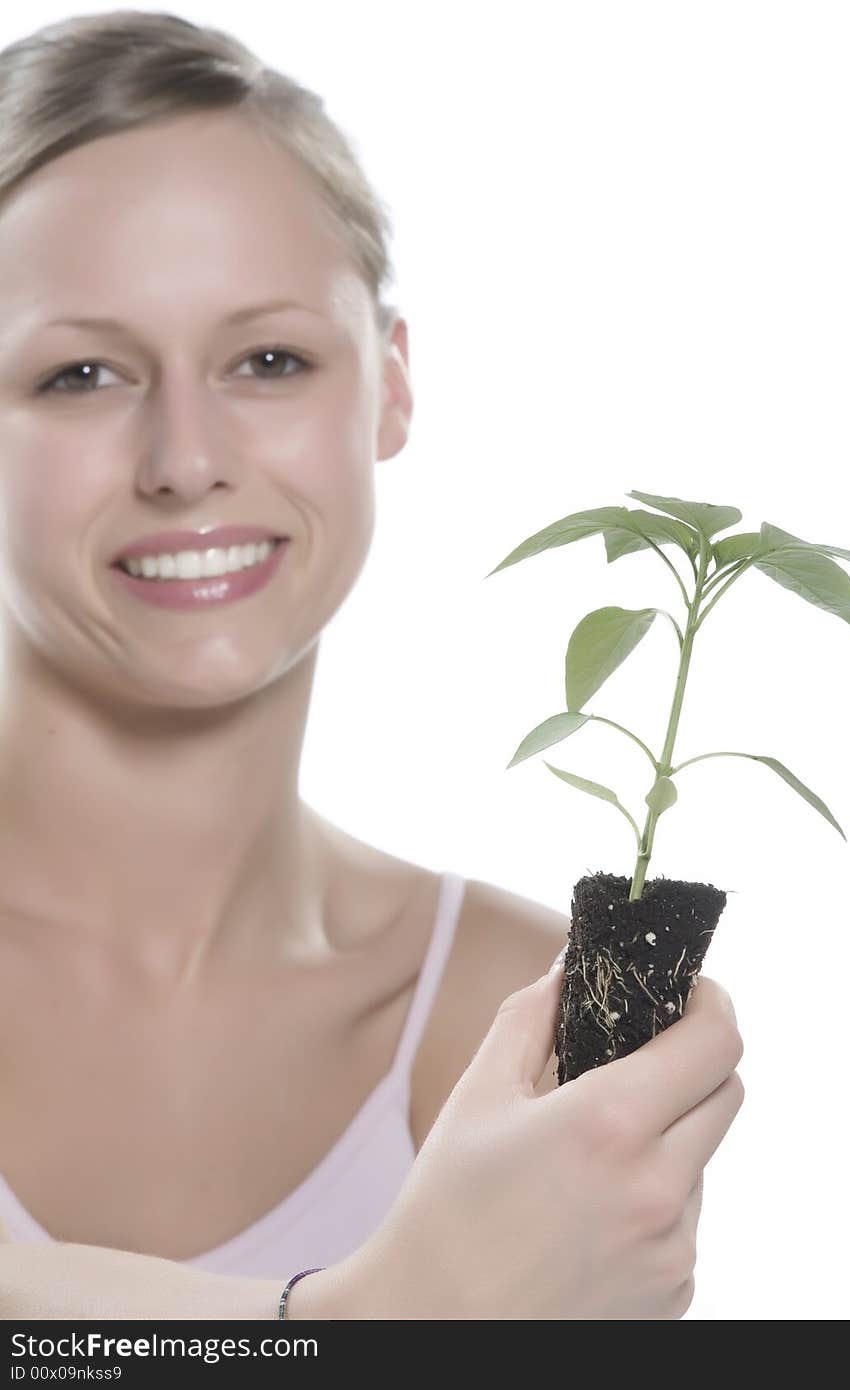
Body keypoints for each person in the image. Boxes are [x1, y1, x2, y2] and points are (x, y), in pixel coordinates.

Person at [0, 12, 744, 1320]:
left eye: (270, 359)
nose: (185, 457)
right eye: (82, 373)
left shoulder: (522, 1018)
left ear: (390, 387)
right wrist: (363, 1318)